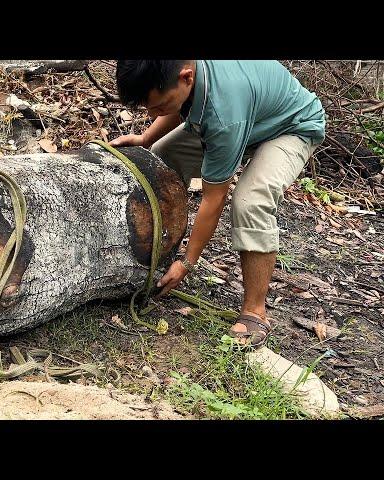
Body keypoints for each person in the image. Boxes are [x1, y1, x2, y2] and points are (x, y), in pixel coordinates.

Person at [110, 60, 325, 348]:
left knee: (251, 200)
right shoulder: (186, 73)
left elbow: (214, 197)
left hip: (290, 127)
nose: (154, 113)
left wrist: (188, 262)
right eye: (150, 108)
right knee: (162, 156)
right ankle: (158, 253)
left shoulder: (224, 113)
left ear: (186, 77)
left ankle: (255, 312)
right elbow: (180, 104)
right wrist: (146, 138)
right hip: (250, 113)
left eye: (159, 107)